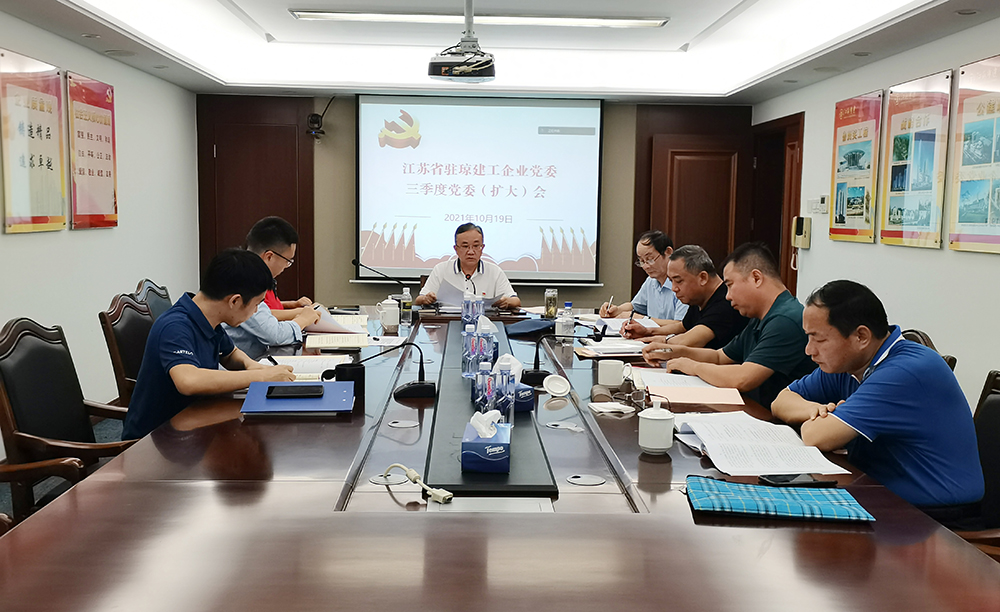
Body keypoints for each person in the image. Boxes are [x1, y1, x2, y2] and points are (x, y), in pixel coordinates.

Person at [772, 280, 983, 513]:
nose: (809, 350)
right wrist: (815, 410)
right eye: (808, 337)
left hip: (935, 516)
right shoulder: (848, 364)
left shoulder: (905, 372)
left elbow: (816, 436)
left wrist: (825, 421)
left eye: (819, 339)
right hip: (879, 493)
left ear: (861, 336)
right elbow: (781, 400)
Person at [122, 249, 296, 439]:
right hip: (155, 440)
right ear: (235, 301)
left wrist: (253, 366)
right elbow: (189, 381)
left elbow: (230, 354)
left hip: (193, 424)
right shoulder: (175, 326)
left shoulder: (208, 317)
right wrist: (259, 376)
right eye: (256, 304)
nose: (255, 312)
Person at [642, 242, 815, 408]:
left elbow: (743, 378)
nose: (728, 296)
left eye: (730, 285)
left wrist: (693, 367)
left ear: (756, 278)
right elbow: (719, 357)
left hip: (775, 420)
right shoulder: (760, 316)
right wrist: (672, 352)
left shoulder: (784, 320)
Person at [224, 217, 320, 357]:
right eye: (288, 261)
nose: (286, 267)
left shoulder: (246, 272)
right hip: (238, 365)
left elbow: (265, 316)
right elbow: (274, 335)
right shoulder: (244, 280)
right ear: (269, 256)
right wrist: (303, 319)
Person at [623, 245, 748, 349]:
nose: (674, 288)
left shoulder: (725, 302)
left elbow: (688, 341)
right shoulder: (699, 298)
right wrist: (647, 331)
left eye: (679, 281)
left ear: (703, 278)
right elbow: (683, 326)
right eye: (671, 281)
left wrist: (659, 341)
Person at [413, 223, 521, 309]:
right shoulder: (441, 269)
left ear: (482, 248)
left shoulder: (494, 271)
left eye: (476, 246)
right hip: (447, 322)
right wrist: (426, 299)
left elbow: (516, 301)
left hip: (485, 323)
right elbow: (419, 299)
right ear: (456, 249)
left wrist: (507, 302)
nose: (471, 252)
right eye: (465, 246)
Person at [599, 230, 688, 328]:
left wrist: (643, 319)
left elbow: (680, 325)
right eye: (641, 261)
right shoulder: (651, 281)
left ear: (668, 252)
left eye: (650, 259)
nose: (645, 266)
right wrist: (617, 310)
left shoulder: (682, 284)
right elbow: (635, 306)